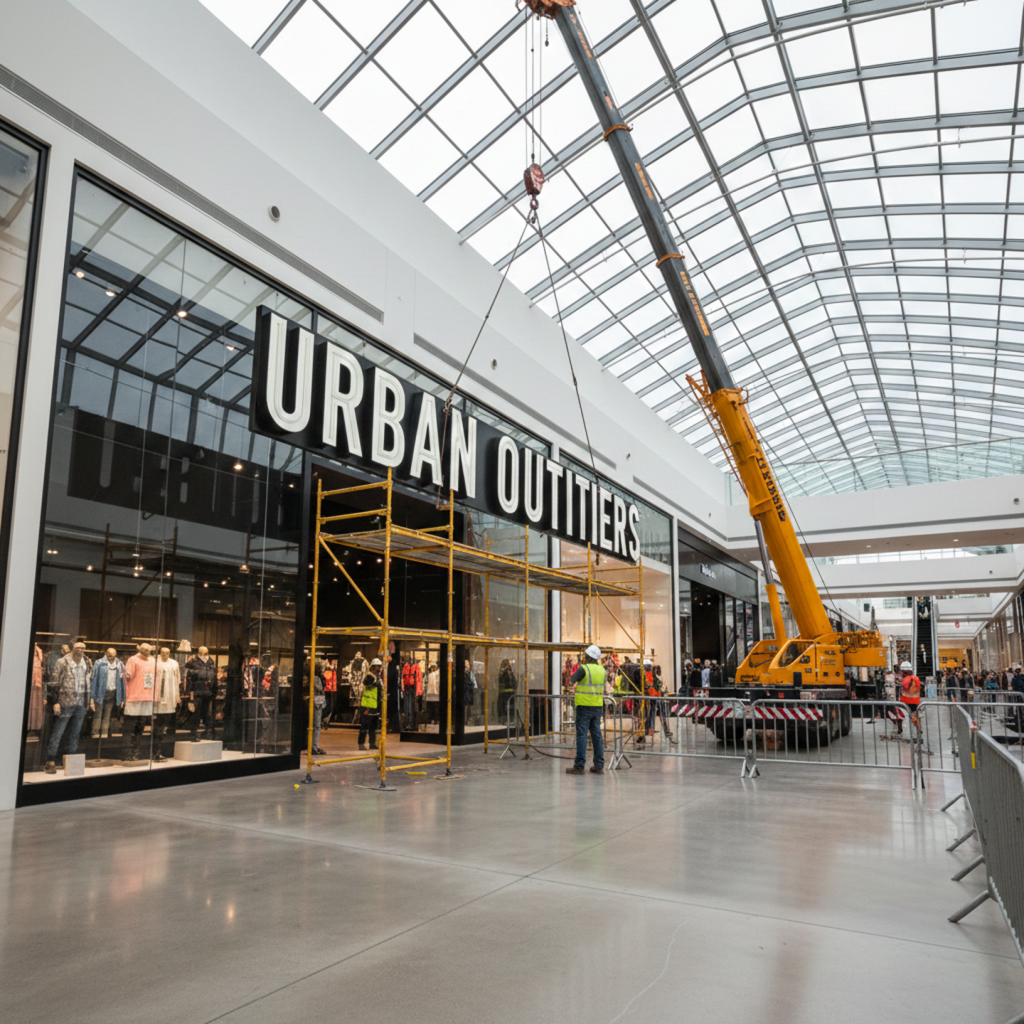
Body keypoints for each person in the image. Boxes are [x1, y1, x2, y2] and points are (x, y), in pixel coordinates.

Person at [45, 641, 94, 773]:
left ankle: (69, 761)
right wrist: (55, 701)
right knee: (58, 732)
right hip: (65, 701)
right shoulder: (62, 662)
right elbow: (54, 682)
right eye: (78, 648)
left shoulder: (87, 661)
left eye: (83, 648)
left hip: (81, 703)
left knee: (75, 733)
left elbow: (90, 680)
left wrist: (90, 700)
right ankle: (50, 760)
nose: (81, 650)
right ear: (73, 648)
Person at [566, 644, 606, 776]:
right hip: (597, 706)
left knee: (582, 735)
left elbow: (572, 679)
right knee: (596, 735)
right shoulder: (602, 670)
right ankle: (598, 765)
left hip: (584, 706)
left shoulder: (584, 668)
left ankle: (579, 765)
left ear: (587, 656)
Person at [89, 647, 124, 740]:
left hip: (112, 692)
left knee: (107, 715)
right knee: (98, 714)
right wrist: (92, 696)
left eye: (113, 654)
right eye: (109, 653)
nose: (111, 655)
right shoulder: (99, 663)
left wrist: (122, 698)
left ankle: (104, 733)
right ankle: (95, 732)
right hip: (100, 692)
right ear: (106, 653)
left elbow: (122, 681)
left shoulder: (119, 664)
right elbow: (94, 679)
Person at [359, 658, 383, 750]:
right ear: (374, 667)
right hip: (368, 706)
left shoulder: (377, 678)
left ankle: (372, 743)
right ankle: (361, 744)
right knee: (365, 727)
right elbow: (367, 683)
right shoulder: (369, 677)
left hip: (375, 706)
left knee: (373, 727)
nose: (379, 669)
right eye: (378, 667)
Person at [303, 658, 326, 756]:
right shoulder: (316, 678)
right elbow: (320, 689)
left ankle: (311, 746)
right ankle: (314, 747)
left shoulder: (306, 676)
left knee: (310, 725)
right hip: (316, 702)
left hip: (309, 701)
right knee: (316, 725)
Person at [897, 659, 920, 736]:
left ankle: (901, 731)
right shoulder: (916, 678)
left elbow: (904, 689)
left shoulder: (904, 680)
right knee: (913, 716)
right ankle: (918, 729)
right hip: (916, 701)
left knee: (902, 717)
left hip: (906, 701)